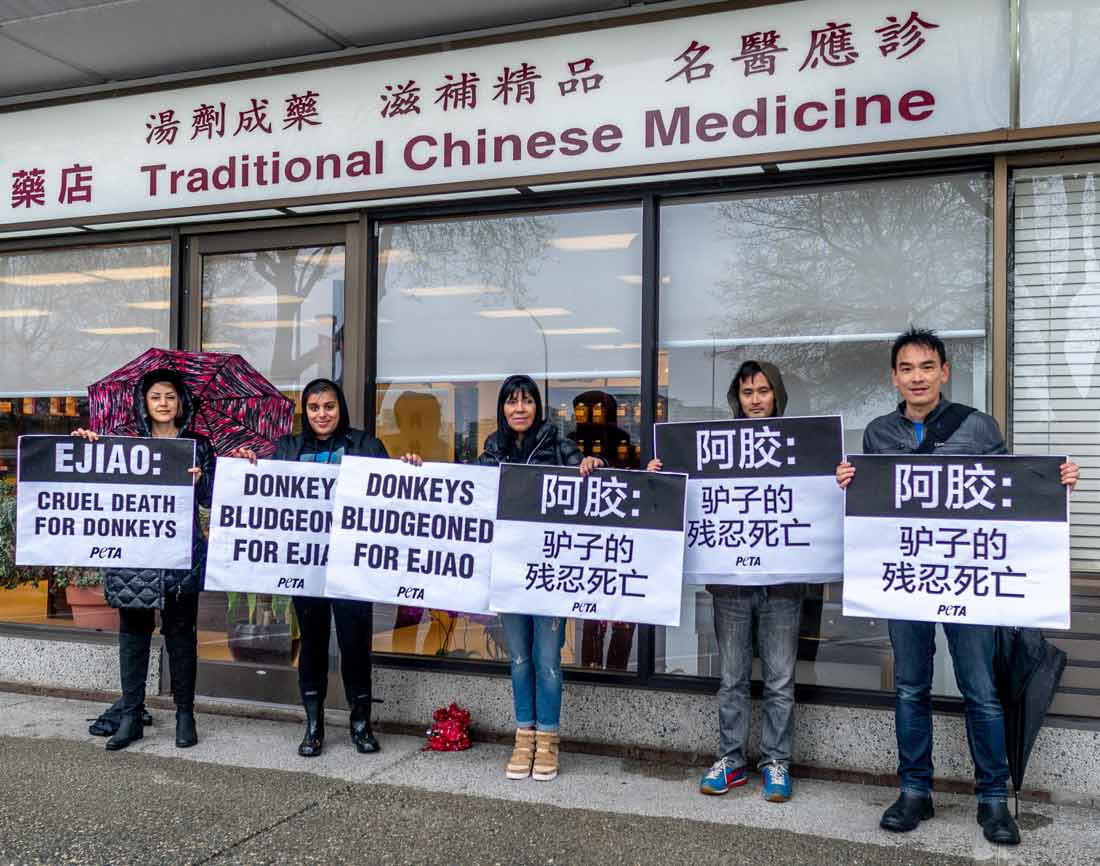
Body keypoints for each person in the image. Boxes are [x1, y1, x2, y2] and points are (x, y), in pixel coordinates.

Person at [836, 327, 1079, 846]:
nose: (917, 376)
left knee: (981, 690)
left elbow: (1014, 490)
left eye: (927, 366)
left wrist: (1056, 482)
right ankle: (914, 791)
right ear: (895, 377)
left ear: (944, 372)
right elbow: (875, 508)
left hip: (968, 582)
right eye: (907, 368)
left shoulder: (977, 426)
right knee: (909, 687)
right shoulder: (878, 434)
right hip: (908, 582)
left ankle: (994, 800)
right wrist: (848, 485)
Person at [231, 378, 420, 758]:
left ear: (340, 408)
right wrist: (245, 465)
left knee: (355, 647)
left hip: (353, 567)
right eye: (314, 407)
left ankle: (360, 724)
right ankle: (314, 726)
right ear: (306, 411)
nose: (322, 414)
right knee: (313, 645)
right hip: (306, 567)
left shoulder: (366, 445)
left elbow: (391, 498)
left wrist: (408, 470)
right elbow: (263, 494)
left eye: (329, 406)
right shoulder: (287, 448)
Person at [649, 360, 803, 803]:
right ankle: (731, 759)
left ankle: (776, 762)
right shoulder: (714, 447)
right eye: (748, 392)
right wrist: (665, 477)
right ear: (738, 398)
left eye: (763, 391)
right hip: (731, 585)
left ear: (777, 395)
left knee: (779, 679)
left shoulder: (800, 446)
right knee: (732, 677)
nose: (755, 400)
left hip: (783, 585)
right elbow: (688, 492)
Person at [73, 369, 214, 751]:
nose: (164, 403)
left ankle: (186, 714)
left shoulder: (200, 445)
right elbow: (96, 481)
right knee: (133, 638)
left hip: (181, 556)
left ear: (181, 402)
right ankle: (131, 716)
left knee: (182, 639)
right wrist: (88, 446)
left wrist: (202, 481)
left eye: (171, 395)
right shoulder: (124, 444)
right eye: (156, 396)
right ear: (144, 403)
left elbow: (212, 501)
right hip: (134, 556)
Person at [478, 374, 604, 781]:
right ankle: (523, 737)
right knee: (519, 659)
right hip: (511, 574)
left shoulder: (559, 446)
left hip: (550, 575)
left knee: (548, 661)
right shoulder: (492, 450)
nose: (519, 409)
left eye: (527, 401)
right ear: (502, 408)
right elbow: (468, 490)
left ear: (538, 407)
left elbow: (588, 483)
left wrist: (589, 465)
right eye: (511, 402)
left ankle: (548, 740)